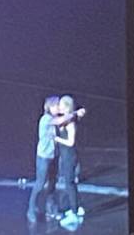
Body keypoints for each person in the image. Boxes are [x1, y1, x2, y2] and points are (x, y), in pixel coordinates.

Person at [27, 96, 85, 224]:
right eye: (56, 106)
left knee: (52, 184)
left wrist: (77, 114)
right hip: (44, 156)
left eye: (60, 105)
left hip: (54, 156)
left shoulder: (57, 118)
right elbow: (61, 121)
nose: (59, 108)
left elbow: (68, 122)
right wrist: (75, 112)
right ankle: (31, 209)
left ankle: (51, 208)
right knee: (40, 183)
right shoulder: (46, 119)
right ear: (50, 107)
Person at [55, 95, 85, 228]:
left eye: (61, 105)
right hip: (66, 156)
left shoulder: (71, 123)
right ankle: (76, 208)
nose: (58, 107)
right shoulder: (66, 120)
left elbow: (71, 142)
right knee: (70, 182)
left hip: (70, 156)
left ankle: (74, 213)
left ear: (66, 107)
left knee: (69, 183)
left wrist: (56, 139)